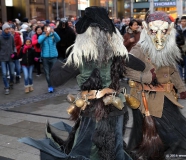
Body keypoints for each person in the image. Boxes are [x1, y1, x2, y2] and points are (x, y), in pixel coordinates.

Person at [19, 6, 132, 160]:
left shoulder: (81, 57)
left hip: (94, 112)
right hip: (116, 109)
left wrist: (61, 61)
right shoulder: (118, 53)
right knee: (114, 151)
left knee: (88, 152)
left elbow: (55, 78)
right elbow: (139, 66)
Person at [124, 11, 186, 159]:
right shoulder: (139, 49)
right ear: (147, 30)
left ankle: (158, 152)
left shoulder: (168, 48)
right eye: (154, 31)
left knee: (168, 129)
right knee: (163, 129)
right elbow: (126, 68)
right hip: (147, 99)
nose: (159, 35)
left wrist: (181, 88)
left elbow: (172, 71)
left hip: (166, 95)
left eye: (164, 31)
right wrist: (145, 76)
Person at [38, 24, 60, 93]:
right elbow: (39, 41)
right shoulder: (42, 36)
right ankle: (50, 86)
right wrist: (45, 35)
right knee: (47, 73)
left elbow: (58, 39)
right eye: (45, 29)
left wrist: (54, 32)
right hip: (45, 57)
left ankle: (53, 84)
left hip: (53, 57)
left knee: (53, 72)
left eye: (48, 28)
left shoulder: (53, 36)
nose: (47, 30)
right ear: (43, 30)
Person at [0, 23, 16, 95]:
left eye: (9, 29)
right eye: (7, 29)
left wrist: (14, 52)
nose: (8, 30)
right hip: (3, 57)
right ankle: (6, 87)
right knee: (4, 73)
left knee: (12, 73)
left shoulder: (11, 37)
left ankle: (11, 82)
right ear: (3, 30)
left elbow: (14, 46)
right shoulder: (0, 37)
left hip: (10, 57)